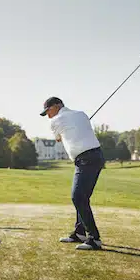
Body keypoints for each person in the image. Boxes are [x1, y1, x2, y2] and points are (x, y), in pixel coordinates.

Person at [40, 96, 105, 251]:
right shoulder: (81, 114)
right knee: (83, 197)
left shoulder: (55, 121)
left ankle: (94, 238)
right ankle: (80, 232)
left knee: (77, 197)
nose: (48, 115)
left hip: (86, 159)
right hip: (97, 156)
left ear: (57, 106)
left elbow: (57, 139)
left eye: (48, 111)